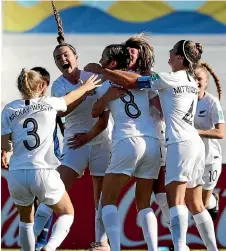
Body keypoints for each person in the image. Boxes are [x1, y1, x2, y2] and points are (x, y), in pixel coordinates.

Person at [85, 40, 219, 251]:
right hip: (188, 143)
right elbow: (156, 103)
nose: (168, 52)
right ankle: (211, 249)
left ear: (180, 58)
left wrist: (103, 71)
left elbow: (131, 84)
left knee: (174, 201)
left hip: (173, 143)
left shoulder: (167, 79)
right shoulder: (191, 80)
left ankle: (179, 246)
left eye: (173, 51)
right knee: (195, 203)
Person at [34, 3, 111, 250]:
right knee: (53, 191)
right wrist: (83, 91)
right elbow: (65, 109)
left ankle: (101, 242)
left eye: (66, 55)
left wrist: (89, 86)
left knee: (99, 197)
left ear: (75, 57)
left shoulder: (91, 75)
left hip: (99, 140)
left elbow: (104, 112)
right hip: (75, 143)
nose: (62, 59)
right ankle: (34, 239)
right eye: (58, 58)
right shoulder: (58, 86)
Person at [1, 68, 100, 251]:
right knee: (67, 213)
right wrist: (86, 86)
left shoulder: (9, 108)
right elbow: (70, 98)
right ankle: (50, 247)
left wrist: (5, 151)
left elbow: (4, 143)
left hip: (16, 172)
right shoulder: (49, 103)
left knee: (26, 220)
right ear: (41, 86)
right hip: (43, 171)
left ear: (20, 87)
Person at [91, 43, 161, 251]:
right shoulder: (140, 81)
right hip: (152, 142)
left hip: (127, 141)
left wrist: (105, 97)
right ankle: (153, 249)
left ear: (112, 63)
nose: (100, 60)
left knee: (108, 202)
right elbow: (159, 105)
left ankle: (115, 249)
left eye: (103, 58)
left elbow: (96, 113)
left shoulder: (105, 84)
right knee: (144, 203)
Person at [29, 67, 66, 251]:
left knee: (46, 202)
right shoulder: (48, 104)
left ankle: (40, 242)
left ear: (43, 85)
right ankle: (38, 243)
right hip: (34, 161)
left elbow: (64, 125)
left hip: (50, 160)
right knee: (40, 202)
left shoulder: (51, 104)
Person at [194, 62, 224, 220]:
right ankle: (180, 244)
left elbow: (220, 133)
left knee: (203, 204)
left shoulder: (212, 103)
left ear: (206, 82)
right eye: (193, 78)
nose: (196, 82)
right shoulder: (184, 101)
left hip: (209, 159)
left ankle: (213, 200)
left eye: (199, 79)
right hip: (191, 159)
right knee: (189, 202)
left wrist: (196, 132)